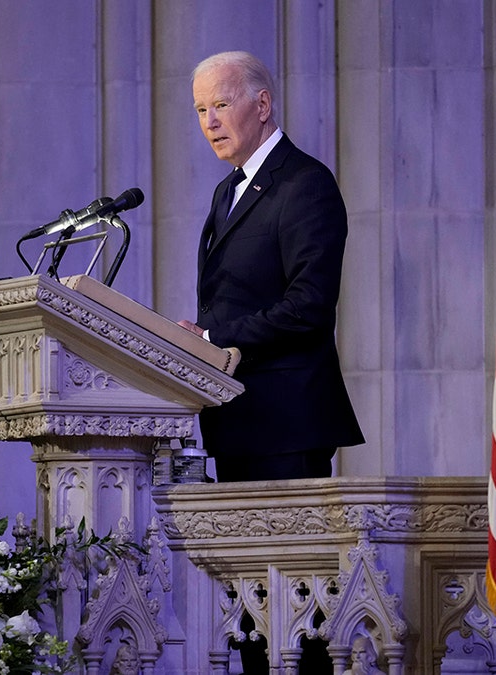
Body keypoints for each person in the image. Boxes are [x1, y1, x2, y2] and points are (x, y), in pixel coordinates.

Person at [177, 50, 364, 483]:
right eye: (201, 110)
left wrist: (210, 339)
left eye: (221, 105)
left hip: (286, 425)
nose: (210, 122)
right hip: (234, 418)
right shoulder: (227, 190)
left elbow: (309, 306)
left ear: (262, 105)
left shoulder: (304, 183)